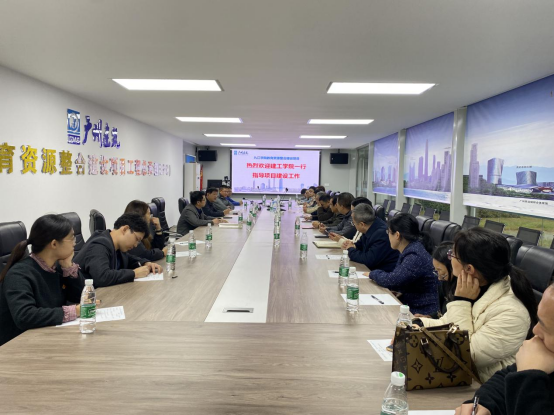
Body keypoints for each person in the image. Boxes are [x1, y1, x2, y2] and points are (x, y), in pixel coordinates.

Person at [417, 227, 537, 382]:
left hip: (483, 387)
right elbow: (447, 323)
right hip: (462, 377)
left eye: (452, 254)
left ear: (469, 269)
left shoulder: (512, 312)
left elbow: (465, 353)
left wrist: (461, 302)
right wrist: (417, 325)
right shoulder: (477, 287)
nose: (449, 257)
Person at [454, 283, 554, 415]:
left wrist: (529, 378)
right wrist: (485, 403)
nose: (535, 330)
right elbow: (505, 378)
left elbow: (466, 352)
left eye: (546, 327)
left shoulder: (510, 310)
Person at [0, 214, 85, 346]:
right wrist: (75, 311)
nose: (75, 242)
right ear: (54, 244)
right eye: (72, 238)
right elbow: (25, 316)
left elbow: (80, 297)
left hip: (47, 336)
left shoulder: (56, 267)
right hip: (18, 346)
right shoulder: (19, 274)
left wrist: (68, 266)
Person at [368, 213, 439, 316]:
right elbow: (401, 279)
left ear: (397, 235)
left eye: (389, 232)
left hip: (422, 314)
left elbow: (392, 280)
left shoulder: (414, 255)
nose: (388, 236)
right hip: (411, 306)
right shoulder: (411, 249)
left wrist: (372, 273)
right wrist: (401, 291)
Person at [74, 213, 163, 287]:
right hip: (83, 299)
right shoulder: (99, 244)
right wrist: (134, 273)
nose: (136, 245)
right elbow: (102, 277)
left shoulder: (116, 245)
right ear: (125, 229)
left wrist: (145, 263)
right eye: (137, 239)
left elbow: (129, 259)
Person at [342, 204, 399, 272]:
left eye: (353, 223)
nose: (354, 225)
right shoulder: (371, 226)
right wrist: (352, 245)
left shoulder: (381, 234)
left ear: (362, 224)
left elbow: (368, 260)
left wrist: (350, 249)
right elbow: (360, 245)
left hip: (384, 273)